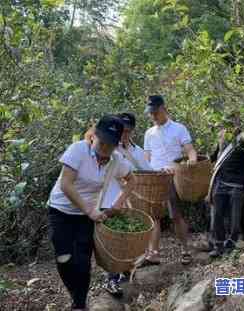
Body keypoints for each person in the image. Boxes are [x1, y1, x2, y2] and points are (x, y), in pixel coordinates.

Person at [47, 115, 135, 311]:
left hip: (86, 217)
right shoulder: (78, 150)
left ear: (116, 144)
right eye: (101, 141)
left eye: (110, 144)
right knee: (64, 258)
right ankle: (75, 295)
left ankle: (79, 304)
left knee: (83, 261)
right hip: (61, 210)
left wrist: (118, 204)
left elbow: (132, 180)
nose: (104, 148)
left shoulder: (116, 160)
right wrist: (89, 210)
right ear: (94, 135)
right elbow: (66, 184)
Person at [143, 95, 197, 265]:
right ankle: (154, 254)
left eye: (155, 113)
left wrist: (192, 160)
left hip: (172, 177)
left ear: (163, 109)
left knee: (176, 216)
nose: (153, 116)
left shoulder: (178, 128)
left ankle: (185, 249)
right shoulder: (149, 133)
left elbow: (190, 150)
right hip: (153, 179)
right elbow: (146, 157)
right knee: (153, 217)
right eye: (150, 113)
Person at [103, 112, 152, 297]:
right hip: (106, 200)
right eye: (121, 130)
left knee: (125, 238)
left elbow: (147, 171)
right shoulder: (105, 147)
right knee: (112, 240)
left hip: (125, 201)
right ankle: (112, 278)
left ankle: (120, 274)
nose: (124, 134)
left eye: (127, 131)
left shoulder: (136, 151)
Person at [207, 113, 244, 257]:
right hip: (220, 183)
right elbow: (215, 156)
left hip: (237, 186)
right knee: (216, 217)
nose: (231, 125)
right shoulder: (221, 136)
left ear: (238, 123)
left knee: (235, 220)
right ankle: (218, 245)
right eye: (228, 122)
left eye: (234, 122)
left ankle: (232, 243)